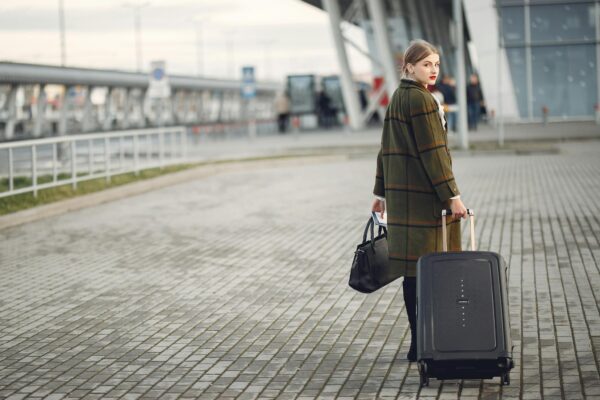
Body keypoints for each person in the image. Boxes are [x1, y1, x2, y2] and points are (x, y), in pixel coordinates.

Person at [371, 39, 467, 362]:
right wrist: (452, 196)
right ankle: (430, 342)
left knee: (414, 272)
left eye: (437, 64)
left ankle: (417, 343)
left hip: (403, 200)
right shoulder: (422, 101)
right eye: (427, 64)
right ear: (409, 66)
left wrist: (379, 193)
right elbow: (434, 154)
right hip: (426, 201)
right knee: (433, 270)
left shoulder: (398, 97)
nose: (434, 70)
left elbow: (385, 148)